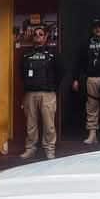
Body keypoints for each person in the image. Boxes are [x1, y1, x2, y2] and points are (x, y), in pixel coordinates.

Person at [72, 18, 100, 145]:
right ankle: (92, 134)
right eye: (95, 27)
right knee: (91, 107)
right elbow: (79, 62)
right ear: (92, 29)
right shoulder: (86, 43)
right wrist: (76, 79)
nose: (97, 29)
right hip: (91, 78)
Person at [20, 27, 62, 160]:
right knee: (30, 125)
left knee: (49, 124)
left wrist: (53, 88)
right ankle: (30, 149)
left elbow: (61, 72)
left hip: (47, 94)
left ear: (46, 37)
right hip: (30, 94)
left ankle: (49, 149)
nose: (38, 36)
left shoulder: (52, 54)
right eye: (35, 34)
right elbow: (22, 73)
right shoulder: (26, 55)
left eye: (41, 34)